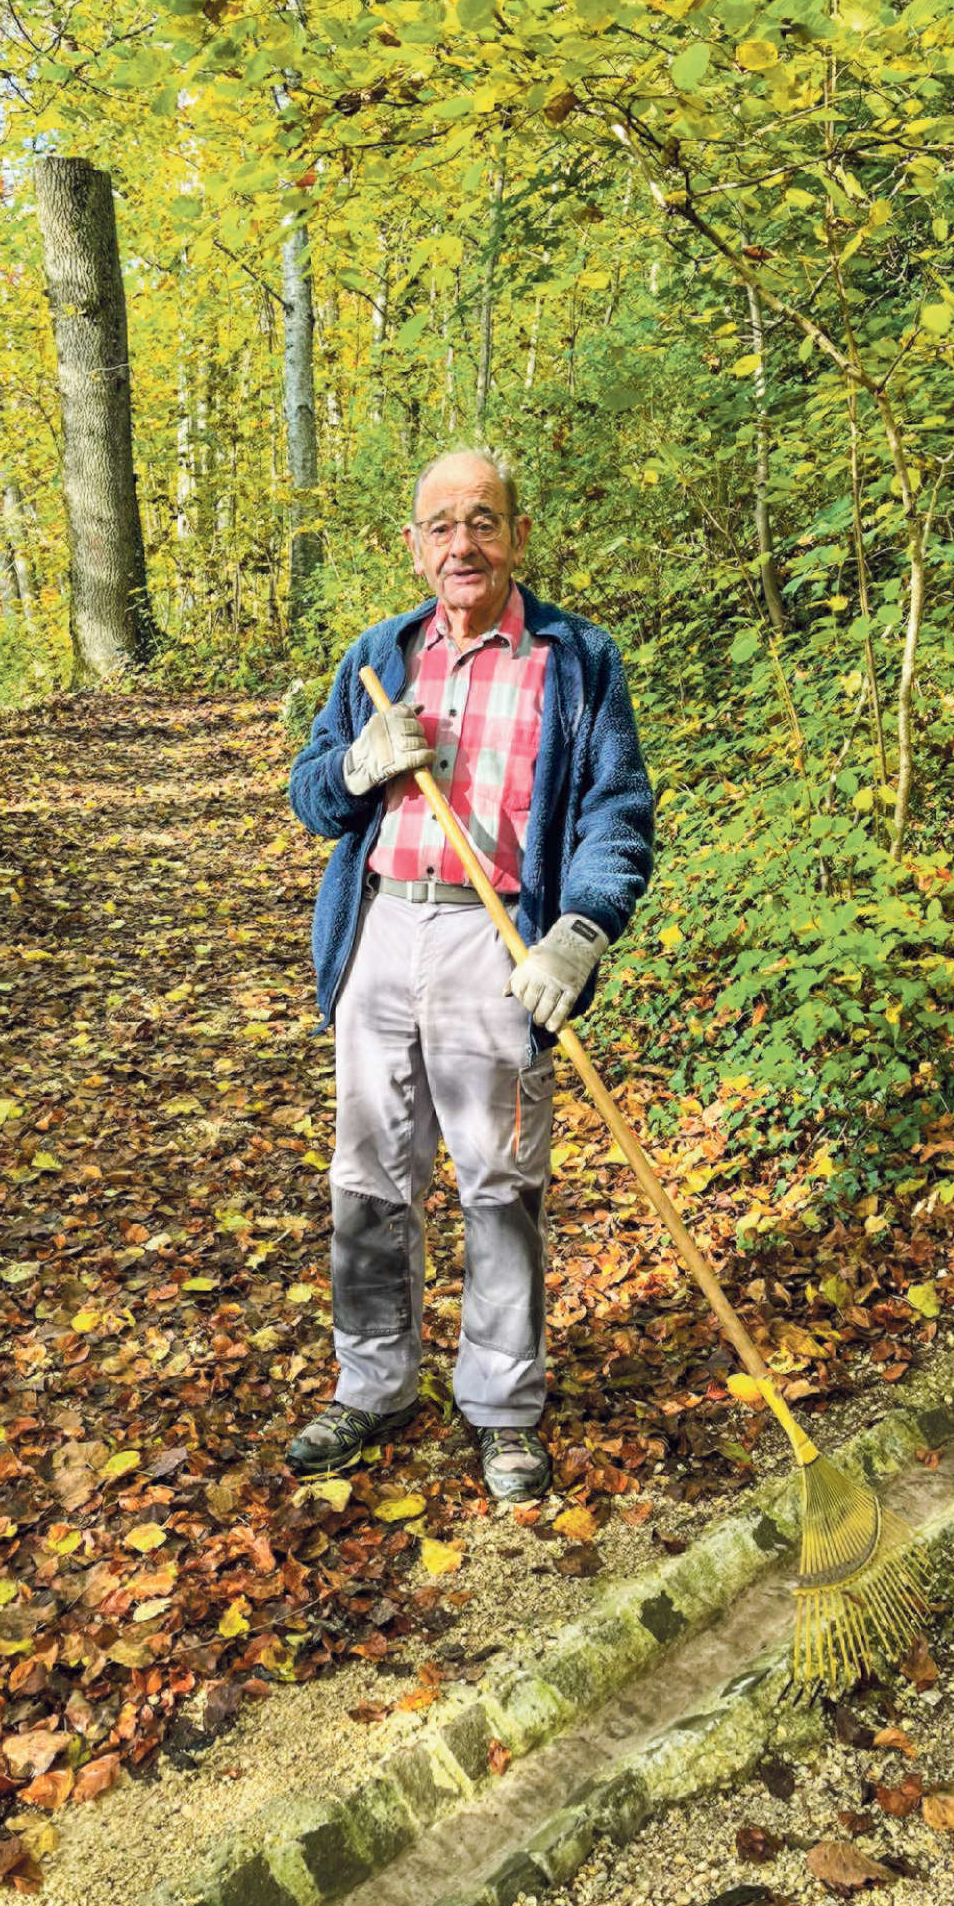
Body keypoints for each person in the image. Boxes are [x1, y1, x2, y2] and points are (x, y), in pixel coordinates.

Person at [286, 449, 654, 1499]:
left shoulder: (575, 660)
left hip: (492, 945)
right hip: (379, 936)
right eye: (440, 525)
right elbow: (312, 794)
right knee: (368, 1179)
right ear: (414, 547)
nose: (463, 544)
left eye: (482, 521)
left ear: (516, 537)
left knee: (498, 1182)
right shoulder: (378, 654)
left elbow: (614, 815)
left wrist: (578, 930)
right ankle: (372, 1384)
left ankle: (501, 1403)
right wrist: (361, 764)